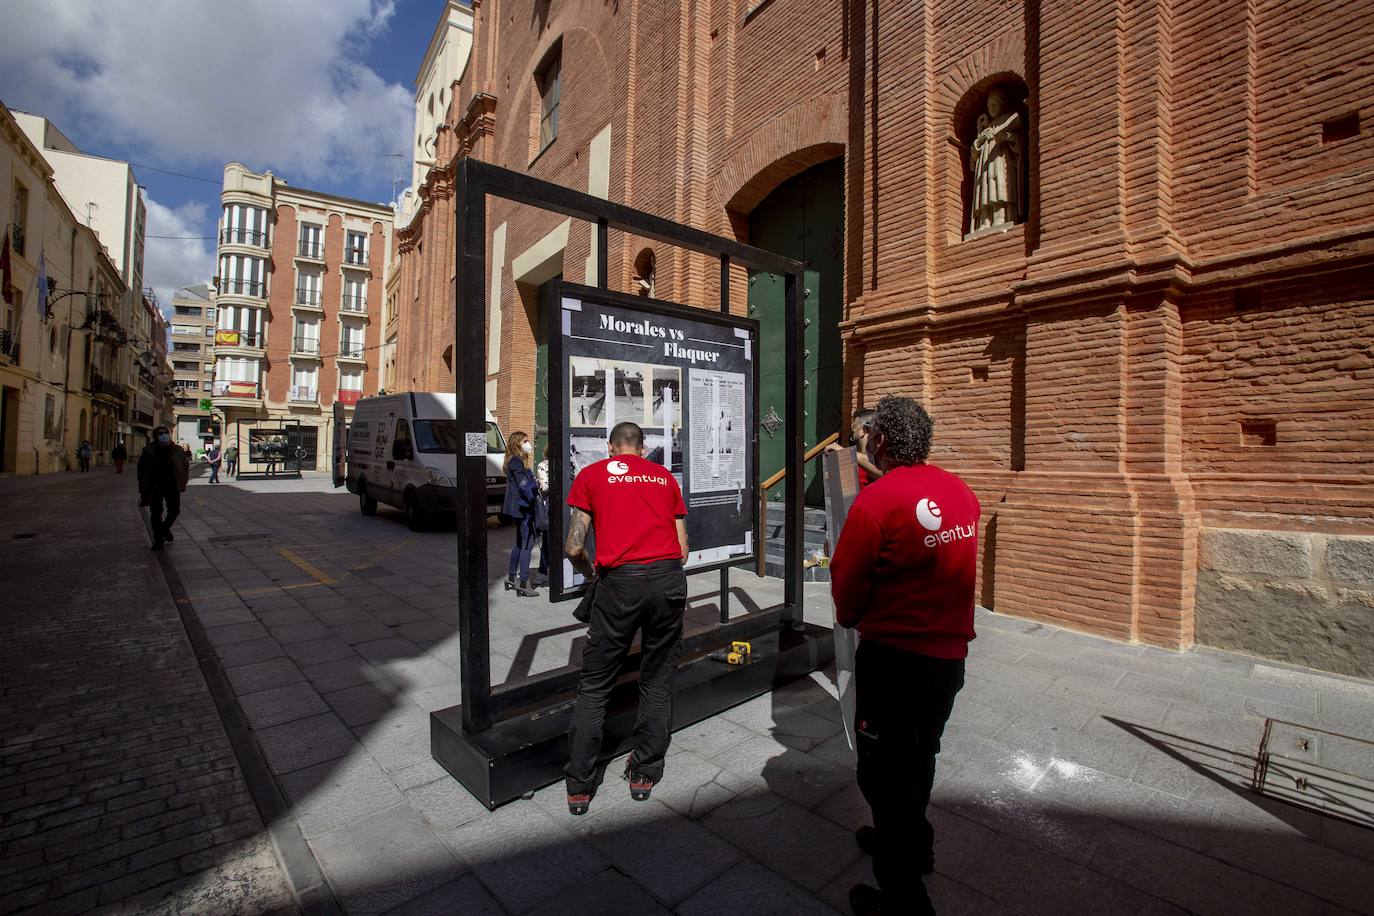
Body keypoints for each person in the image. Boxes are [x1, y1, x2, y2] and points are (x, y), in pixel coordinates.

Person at [828, 395, 980, 916]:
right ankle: (915, 846)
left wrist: (852, 616)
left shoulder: (877, 502)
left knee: (883, 776)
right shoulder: (961, 492)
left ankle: (905, 901)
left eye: (869, 436)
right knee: (920, 757)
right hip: (947, 659)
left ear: (880, 441)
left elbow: (847, 585)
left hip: (894, 661)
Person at [563, 421, 688, 816]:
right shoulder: (664, 478)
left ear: (610, 447)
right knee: (657, 678)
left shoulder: (591, 475)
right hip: (668, 582)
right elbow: (683, 550)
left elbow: (573, 547)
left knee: (595, 685)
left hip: (619, 585)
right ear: (643, 447)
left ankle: (580, 787)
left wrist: (591, 573)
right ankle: (644, 773)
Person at [138, 426, 190, 551]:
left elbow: (185, 467)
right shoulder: (149, 450)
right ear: (155, 436)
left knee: (174, 511)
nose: (163, 435)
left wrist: (183, 482)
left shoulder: (177, 450)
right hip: (154, 486)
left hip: (172, 485)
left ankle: (164, 530)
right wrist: (143, 488)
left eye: (165, 433)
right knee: (156, 514)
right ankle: (158, 541)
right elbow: (141, 470)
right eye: (160, 434)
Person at [501, 432, 539, 597]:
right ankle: (523, 582)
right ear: (517, 444)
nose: (528, 443)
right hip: (524, 508)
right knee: (527, 544)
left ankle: (511, 576)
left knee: (519, 542)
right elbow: (523, 485)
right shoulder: (516, 462)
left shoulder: (513, 461)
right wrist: (534, 492)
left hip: (519, 508)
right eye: (525, 441)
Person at [827, 408, 883, 487]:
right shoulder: (853, 458)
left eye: (854, 426)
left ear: (864, 430)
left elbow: (883, 474)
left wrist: (844, 452)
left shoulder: (879, 458)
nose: (852, 429)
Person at [533, 443, 552, 586]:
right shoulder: (543, 465)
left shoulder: (542, 465)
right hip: (557, 505)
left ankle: (542, 572)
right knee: (550, 541)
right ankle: (543, 571)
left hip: (552, 506)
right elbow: (545, 487)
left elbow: (544, 486)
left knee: (548, 541)